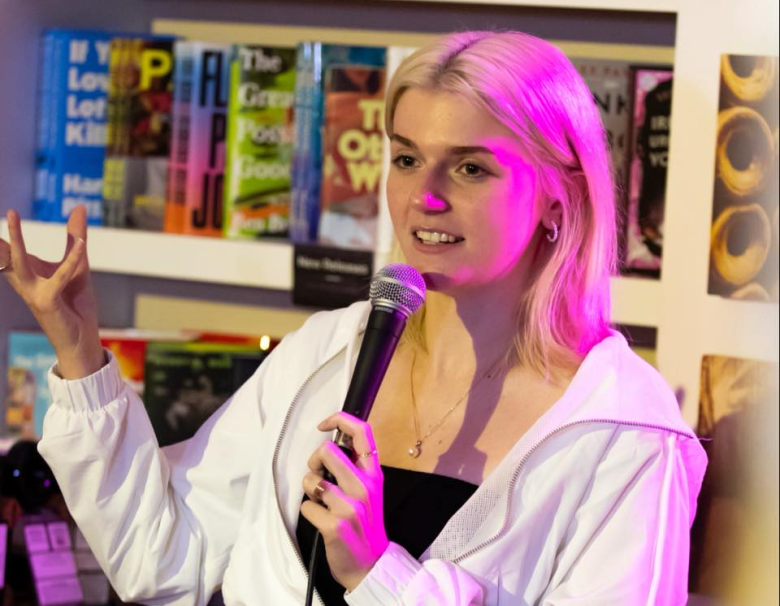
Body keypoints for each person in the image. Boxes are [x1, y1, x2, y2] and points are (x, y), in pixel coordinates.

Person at [0, 30, 707, 605]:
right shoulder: (328, 350)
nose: (425, 196)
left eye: (470, 168)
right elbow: (163, 559)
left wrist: (376, 572)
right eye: (407, 158)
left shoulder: (626, 434)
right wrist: (79, 349)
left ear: (558, 195)